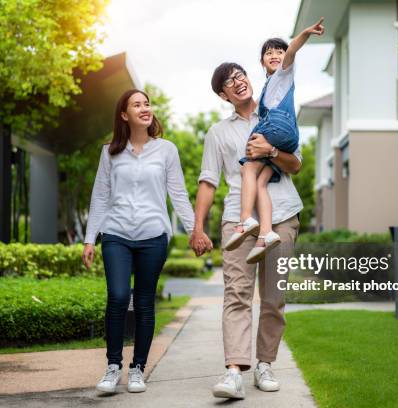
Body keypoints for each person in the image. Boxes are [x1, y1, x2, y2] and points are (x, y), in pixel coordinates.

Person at [190, 61, 302, 400]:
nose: (237, 82)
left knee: (273, 298)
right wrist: (197, 227)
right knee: (236, 294)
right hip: (237, 223)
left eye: (240, 75)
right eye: (228, 82)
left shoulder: (275, 113)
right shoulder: (218, 133)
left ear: (249, 80)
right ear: (223, 95)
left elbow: (295, 164)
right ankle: (234, 372)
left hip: (282, 216)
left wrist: (269, 150)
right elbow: (208, 182)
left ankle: (265, 364)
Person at [82, 89, 202, 394]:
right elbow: (100, 195)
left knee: (145, 302)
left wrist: (194, 230)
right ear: (125, 115)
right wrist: (89, 239)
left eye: (146, 103)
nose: (144, 108)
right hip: (116, 233)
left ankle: (137, 368)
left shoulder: (166, 150)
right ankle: (113, 367)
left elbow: (178, 194)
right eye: (137, 105)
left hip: (153, 235)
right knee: (119, 296)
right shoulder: (110, 151)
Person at [224, 18, 325, 264]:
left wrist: (306, 33)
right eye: (269, 52)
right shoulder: (269, 84)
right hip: (284, 137)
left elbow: (292, 49)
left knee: (248, 166)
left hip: (278, 127)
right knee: (260, 183)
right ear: (261, 62)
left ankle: (246, 218)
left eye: (278, 51)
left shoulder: (283, 74)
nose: (275, 55)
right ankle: (266, 234)